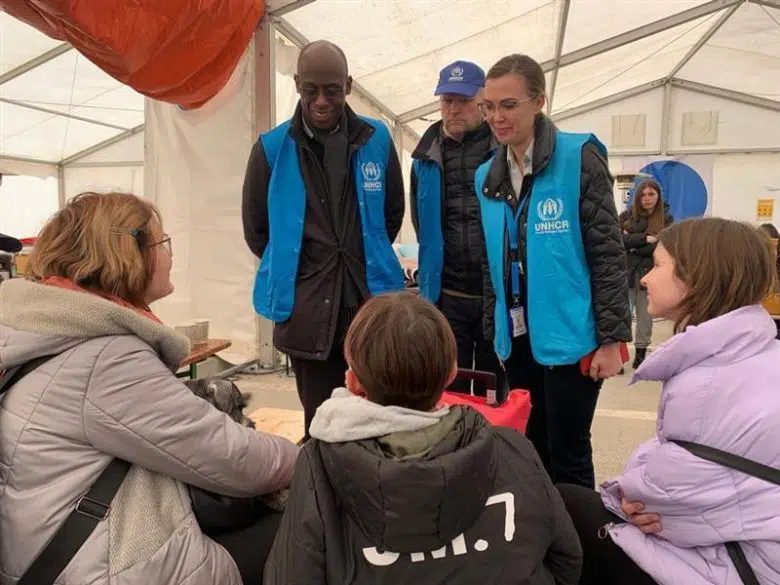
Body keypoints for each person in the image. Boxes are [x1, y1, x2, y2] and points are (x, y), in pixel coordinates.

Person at [0, 192, 300, 585]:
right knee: (307, 529)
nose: (170, 255)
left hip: (49, 546)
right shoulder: (106, 358)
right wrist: (305, 457)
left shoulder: (51, 330)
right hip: (95, 567)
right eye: (162, 243)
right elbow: (235, 459)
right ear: (129, 255)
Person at [264, 292, 583, 585]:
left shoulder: (319, 465)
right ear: (451, 373)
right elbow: (567, 560)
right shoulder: (513, 448)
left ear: (353, 381)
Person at [558, 218, 780, 585]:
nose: (644, 278)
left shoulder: (707, 382)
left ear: (697, 277)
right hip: (750, 545)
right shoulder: (751, 353)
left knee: (564, 507)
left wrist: (629, 493)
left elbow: (657, 500)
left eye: (659, 265)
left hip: (741, 567)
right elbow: (677, 461)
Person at [477, 54, 631, 489]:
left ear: (539, 101)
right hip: (518, 336)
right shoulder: (485, 178)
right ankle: (543, 540)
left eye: (508, 105)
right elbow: (492, 266)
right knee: (531, 446)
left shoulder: (578, 156)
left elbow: (607, 254)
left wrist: (611, 338)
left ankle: (579, 549)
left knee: (569, 450)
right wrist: (495, 333)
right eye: (489, 106)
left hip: (573, 334)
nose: (496, 117)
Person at [242, 40, 406, 437]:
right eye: (310, 89)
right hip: (308, 312)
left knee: (379, 416)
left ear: (347, 86)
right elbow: (258, 231)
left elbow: (391, 214)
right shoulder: (271, 149)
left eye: (331, 90)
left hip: (368, 304)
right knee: (319, 422)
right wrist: (305, 272)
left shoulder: (377, 140)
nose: (320, 100)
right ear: (297, 84)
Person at [410, 60, 500, 395]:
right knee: (452, 384)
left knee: (494, 387)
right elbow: (422, 225)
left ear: (482, 102)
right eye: (447, 100)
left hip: (495, 296)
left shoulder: (503, 152)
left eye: (462, 100)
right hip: (448, 296)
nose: (453, 109)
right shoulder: (424, 159)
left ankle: (493, 445)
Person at [619, 178, 673, 369]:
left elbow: (660, 247)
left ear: (658, 196)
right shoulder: (626, 216)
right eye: (643, 194)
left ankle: (640, 353)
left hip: (649, 275)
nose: (647, 198)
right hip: (626, 274)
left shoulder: (667, 220)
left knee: (645, 316)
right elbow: (618, 242)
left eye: (651, 194)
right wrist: (645, 239)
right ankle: (620, 355)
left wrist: (632, 245)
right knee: (621, 316)